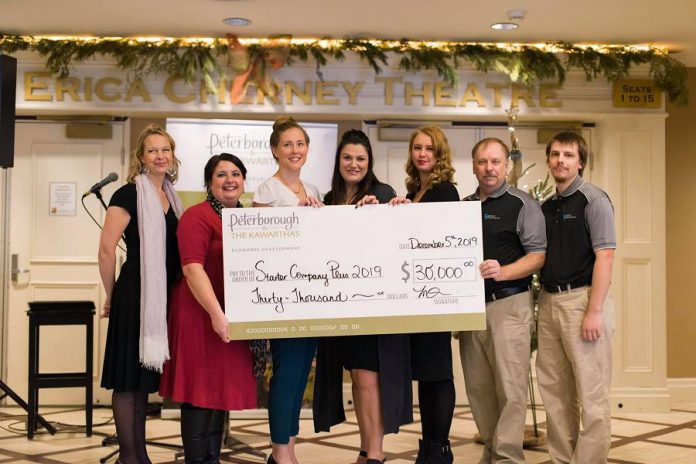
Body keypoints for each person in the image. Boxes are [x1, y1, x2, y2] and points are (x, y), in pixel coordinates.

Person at [312, 129, 412, 464]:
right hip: (341, 306)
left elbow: (395, 237)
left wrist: (383, 209)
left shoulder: (381, 192)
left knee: (370, 379)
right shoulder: (329, 198)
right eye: (347, 157)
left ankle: (376, 453)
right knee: (356, 377)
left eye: (360, 159)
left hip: (374, 304)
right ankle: (365, 446)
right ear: (338, 160)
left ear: (368, 163)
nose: (353, 164)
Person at [159, 154, 257, 463]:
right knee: (200, 393)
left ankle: (211, 458)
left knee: (221, 393)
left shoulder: (247, 218)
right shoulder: (196, 216)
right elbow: (192, 269)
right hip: (199, 317)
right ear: (209, 182)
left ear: (243, 181)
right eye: (221, 175)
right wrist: (217, 314)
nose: (230, 180)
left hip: (232, 317)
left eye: (236, 174)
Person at [99, 123, 184, 464]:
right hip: (134, 292)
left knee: (141, 382)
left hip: (161, 295)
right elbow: (106, 250)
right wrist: (110, 294)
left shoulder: (173, 196)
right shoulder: (127, 194)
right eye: (153, 150)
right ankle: (131, 457)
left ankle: (138, 455)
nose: (160, 156)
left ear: (172, 155)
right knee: (127, 380)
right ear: (141, 157)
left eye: (165, 149)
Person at [459, 138, 546, 463]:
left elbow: (538, 256)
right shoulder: (464, 206)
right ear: (474, 166)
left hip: (509, 305)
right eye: (482, 162)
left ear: (506, 165)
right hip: (470, 310)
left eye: (495, 161)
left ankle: (508, 457)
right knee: (479, 389)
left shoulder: (522, 205)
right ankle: (494, 451)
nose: (489, 168)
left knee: (510, 388)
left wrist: (504, 271)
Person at [536, 131, 616, 463]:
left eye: (568, 155)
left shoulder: (594, 200)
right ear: (548, 160)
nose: (560, 160)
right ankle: (563, 459)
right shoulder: (547, 206)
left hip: (583, 302)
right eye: (555, 154)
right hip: (549, 304)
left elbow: (606, 256)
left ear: (580, 161)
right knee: (555, 394)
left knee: (591, 395)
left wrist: (594, 310)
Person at [252, 116, 322, 464]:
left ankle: (288, 446)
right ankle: (280, 452)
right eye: (288, 145)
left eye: (300, 144)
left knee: (299, 374)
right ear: (275, 150)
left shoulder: (313, 190)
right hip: (282, 299)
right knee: (287, 373)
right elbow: (259, 246)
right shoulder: (267, 191)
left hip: (310, 296)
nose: (295, 151)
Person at [389, 125, 459, 464]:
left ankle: (440, 448)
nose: (422, 154)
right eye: (417, 148)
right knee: (427, 375)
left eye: (429, 148)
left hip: (435, 294)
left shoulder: (445, 191)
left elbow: (434, 239)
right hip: (415, 296)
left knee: (438, 371)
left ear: (439, 153)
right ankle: (429, 445)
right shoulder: (414, 189)